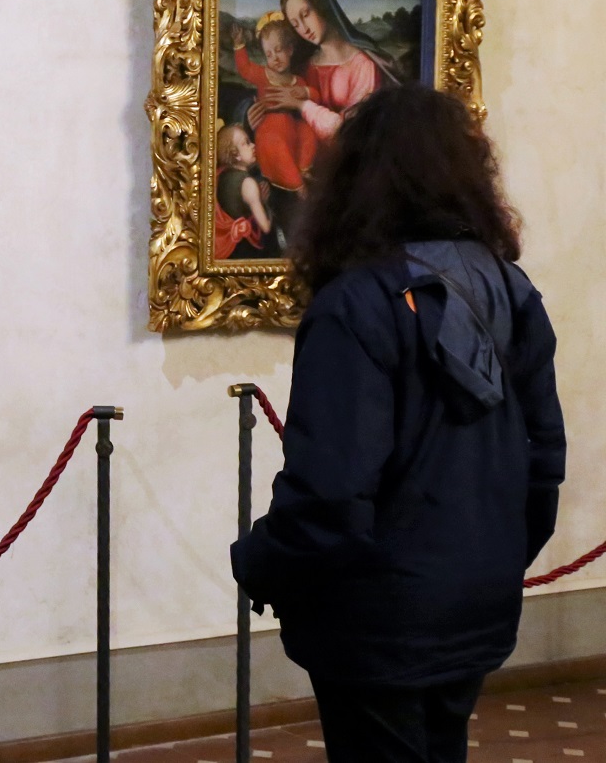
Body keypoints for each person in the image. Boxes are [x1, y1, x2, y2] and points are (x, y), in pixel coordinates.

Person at [230, 85, 565, 763]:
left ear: (355, 181)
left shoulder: (356, 305)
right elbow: (543, 460)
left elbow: (330, 491)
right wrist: (491, 563)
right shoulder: (510, 288)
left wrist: (259, 563)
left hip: (377, 616)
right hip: (475, 599)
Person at [251, 0, 399, 144]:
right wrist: (254, 117)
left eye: (305, 14)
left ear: (323, 7)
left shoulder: (363, 65)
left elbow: (351, 131)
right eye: (295, 24)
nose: (304, 29)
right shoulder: (303, 66)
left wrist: (301, 105)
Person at [232, 16, 317, 192]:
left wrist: (306, 92)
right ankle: (297, 185)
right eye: (269, 54)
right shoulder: (263, 74)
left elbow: (315, 97)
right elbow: (245, 68)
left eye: (278, 50)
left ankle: (304, 169)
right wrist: (239, 45)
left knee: (307, 131)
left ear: (290, 50)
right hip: (269, 129)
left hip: (291, 127)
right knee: (276, 142)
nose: (275, 58)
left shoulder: (297, 80)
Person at [213, 123, 275, 259]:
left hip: (229, 253)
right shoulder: (248, 184)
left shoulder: (221, 176)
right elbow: (265, 227)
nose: (253, 145)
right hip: (244, 251)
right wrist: (264, 204)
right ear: (235, 155)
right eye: (246, 143)